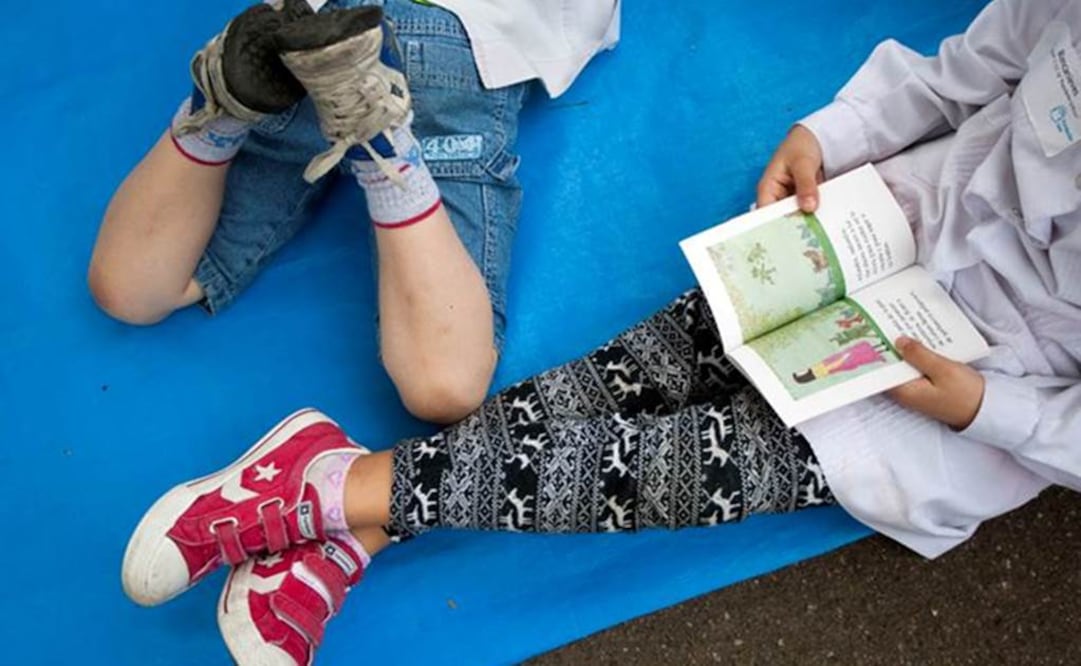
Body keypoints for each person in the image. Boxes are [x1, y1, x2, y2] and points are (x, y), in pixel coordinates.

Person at [120, 0, 1081, 664]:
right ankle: (351, 529)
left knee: (683, 468)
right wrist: (833, 132)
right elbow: (977, 64)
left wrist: (989, 410)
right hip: (890, 233)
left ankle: (324, 495)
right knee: (632, 373)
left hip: (997, 383)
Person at [87, 0, 620, 424]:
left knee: (130, 292)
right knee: (443, 385)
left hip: (307, 29)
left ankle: (220, 112)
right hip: (465, 32)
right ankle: (382, 145)